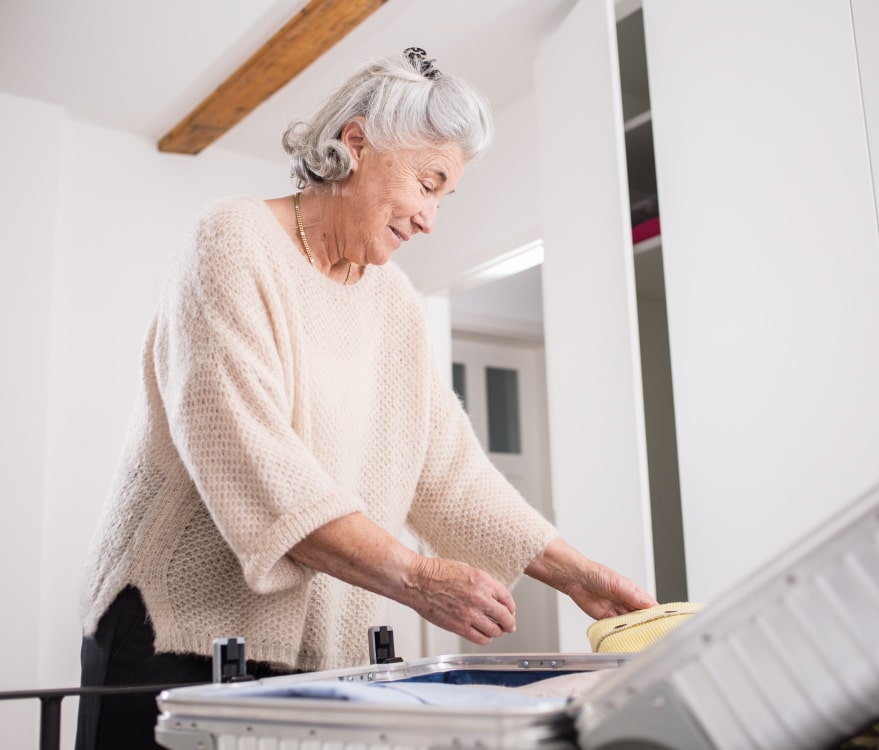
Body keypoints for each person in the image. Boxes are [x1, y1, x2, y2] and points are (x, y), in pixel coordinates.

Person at [75, 48, 657, 749]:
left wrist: (577, 575)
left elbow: (449, 471)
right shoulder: (232, 242)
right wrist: (413, 578)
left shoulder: (394, 303)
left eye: (446, 196)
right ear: (355, 144)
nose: (430, 218)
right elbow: (245, 452)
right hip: (179, 629)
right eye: (428, 182)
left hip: (319, 650)